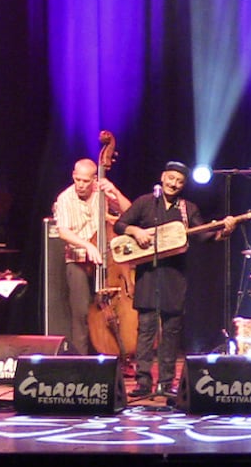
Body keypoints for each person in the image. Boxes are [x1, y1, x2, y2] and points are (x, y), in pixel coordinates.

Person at [114, 161, 236, 399]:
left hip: (175, 277)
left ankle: (166, 382)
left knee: (171, 331)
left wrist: (224, 231)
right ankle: (143, 382)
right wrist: (135, 231)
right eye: (171, 178)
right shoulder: (145, 202)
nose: (174, 184)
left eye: (179, 181)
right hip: (148, 275)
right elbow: (120, 224)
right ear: (162, 177)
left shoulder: (187, 208)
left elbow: (203, 236)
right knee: (146, 330)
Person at [52, 158, 132, 354]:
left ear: (94, 179)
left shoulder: (102, 192)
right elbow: (63, 232)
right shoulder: (65, 198)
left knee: (111, 307)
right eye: (77, 179)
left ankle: (113, 354)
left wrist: (115, 192)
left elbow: (129, 211)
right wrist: (87, 245)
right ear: (73, 175)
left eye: (85, 181)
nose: (80, 184)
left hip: (106, 262)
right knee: (80, 312)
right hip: (77, 260)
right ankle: (81, 360)